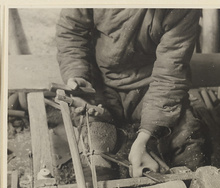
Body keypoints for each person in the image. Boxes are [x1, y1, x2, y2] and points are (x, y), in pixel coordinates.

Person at [56, 8, 209, 177]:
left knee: (188, 141)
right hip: (100, 84)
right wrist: (76, 74)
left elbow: (169, 73)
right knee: (96, 154)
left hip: (151, 85)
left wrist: (145, 138)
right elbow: (71, 33)